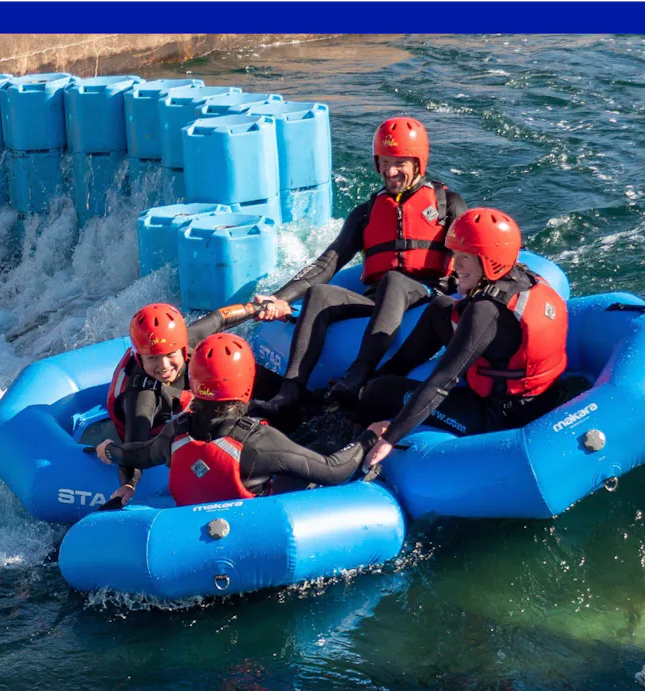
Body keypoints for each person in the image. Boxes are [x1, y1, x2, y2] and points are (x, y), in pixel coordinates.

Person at [249, 116, 468, 418]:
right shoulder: (365, 213)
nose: (391, 172)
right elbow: (326, 263)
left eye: (400, 163)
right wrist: (279, 298)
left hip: (426, 297)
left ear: (418, 163)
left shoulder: (448, 204)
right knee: (320, 294)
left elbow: (473, 254)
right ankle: (289, 393)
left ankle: (359, 374)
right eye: (385, 162)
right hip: (379, 302)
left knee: (395, 280)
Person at [349, 208, 569, 468]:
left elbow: (441, 382)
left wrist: (391, 436)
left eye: (465, 257)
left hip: (501, 415)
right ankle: (382, 374)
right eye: (455, 254)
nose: (455, 265)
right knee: (439, 309)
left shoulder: (486, 311)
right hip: (530, 390)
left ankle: (352, 433)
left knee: (380, 391)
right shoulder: (524, 276)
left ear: (489, 260)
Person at [95, 333, 384, 507]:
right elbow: (336, 471)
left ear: (194, 381)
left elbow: (140, 454)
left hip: (187, 528)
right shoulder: (260, 442)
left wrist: (109, 450)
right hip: (250, 531)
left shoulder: (177, 431)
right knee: (322, 442)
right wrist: (369, 436)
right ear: (247, 381)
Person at [104, 302, 267, 507]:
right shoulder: (142, 396)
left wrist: (258, 307)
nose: (164, 366)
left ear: (182, 347)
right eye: (153, 357)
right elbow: (134, 446)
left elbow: (220, 317)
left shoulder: (182, 340)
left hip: (179, 404)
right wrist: (129, 484)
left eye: (171, 354)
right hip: (157, 433)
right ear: (139, 357)